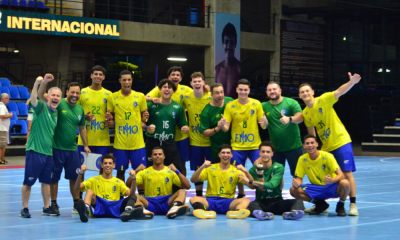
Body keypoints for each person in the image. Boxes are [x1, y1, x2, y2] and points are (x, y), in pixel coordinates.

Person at [298, 72, 361, 216]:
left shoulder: (324, 99)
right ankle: (322, 204)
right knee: (325, 176)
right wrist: (312, 149)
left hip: (340, 141)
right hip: (326, 147)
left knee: (346, 173)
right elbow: (311, 134)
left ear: (312, 92)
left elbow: (339, 91)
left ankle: (352, 204)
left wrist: (351, 82)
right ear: (300, 96)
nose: (305, 93)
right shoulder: (306, 113)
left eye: (307, 90)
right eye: (302, 92)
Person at [38, 80, 90, 215]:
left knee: (75, 177)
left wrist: (85, 145)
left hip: (73, 149)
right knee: (54, 178)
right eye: (72, 92)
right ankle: (54, 204)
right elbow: (40, 95)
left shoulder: (80, 109)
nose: (75, 95)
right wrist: (43, 82)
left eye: (77, 93)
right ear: (66, 92)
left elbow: (82, 127)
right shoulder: (59, 102)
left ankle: (76, 203)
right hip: (56, 148)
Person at [20, 74, 61, 218]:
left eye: (58, 96)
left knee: (46, 182)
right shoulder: (41, 107)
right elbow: (33, 99)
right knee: (28, 182)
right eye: (53, 95)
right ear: (47, 97)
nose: (55, 98)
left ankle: (46, 207)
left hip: (48, 153)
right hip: (35, 151)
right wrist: (37, 83)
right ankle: (24, 208)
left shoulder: (56, 114)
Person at [239, 141, 305, 220]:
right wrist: (259, 173)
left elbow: (272, 185)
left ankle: (292, 214)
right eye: (263, 152)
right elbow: (262, 189)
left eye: (268, 152)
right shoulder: (253, 170)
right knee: (252, 204)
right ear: (259, 153)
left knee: (298, 201)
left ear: (272, 154)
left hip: (277, 201)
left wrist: (250, 181)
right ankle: (262, 214)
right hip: (262, 202)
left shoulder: (279, 167)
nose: (265, 154)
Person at [146, 66, 191, 176]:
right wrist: (147, 127)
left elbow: (183, 123)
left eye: (169, 88)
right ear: (159, 89)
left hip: (172, 139)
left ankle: (179, 190)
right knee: (150, 167)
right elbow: (142, 120)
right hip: (154, 140)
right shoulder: (151, 105)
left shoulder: (178, 106)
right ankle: (148, 191)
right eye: (164, 87)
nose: (167, 89)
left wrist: (185, 127)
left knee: (177, 166)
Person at [290, 135, 350, 216]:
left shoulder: (327, 156)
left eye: (312, 143)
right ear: (304, 146)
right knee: (293, 190)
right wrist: (297, 183)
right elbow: (299, 178)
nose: (310, 145)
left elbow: (341, 175)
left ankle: (341, 205)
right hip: (316, 188)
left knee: (345, 183)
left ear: (317, 144)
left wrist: (331, 180)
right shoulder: (302, 159)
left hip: (330, 187)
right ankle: (320, 204)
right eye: (307, 143)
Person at [126, 146, 191, 219]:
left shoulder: (170, 172)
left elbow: (188, 186)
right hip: (150, 203)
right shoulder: (144, 172)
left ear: (164, 156)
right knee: (134, 195)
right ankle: (141, 210)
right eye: (155, 154)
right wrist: (136, 170)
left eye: (160, 154)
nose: (157, 156)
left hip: (166, 202)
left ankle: (175, 208)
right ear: (151, 157)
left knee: (182, 191)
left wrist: (176, 171)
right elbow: (127, 185)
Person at [189, 144, 252, 219]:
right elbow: (193, 180)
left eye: (228, 153)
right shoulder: (210, 168)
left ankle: (236, 213)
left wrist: (246, 172)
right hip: (210, 201)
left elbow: (252, 186)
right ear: (219, 154)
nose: (225, 155)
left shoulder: (236, 171)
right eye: (223, 152)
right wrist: (201, 167)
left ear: (231, 155)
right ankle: (204, 212)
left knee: (246, 201)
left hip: (228, 202)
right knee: (193, 199)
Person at [74, 154, 142, 222]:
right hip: (100, 206)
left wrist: (133, 179)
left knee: (133, 196)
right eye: (105, 163)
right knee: (89, 191)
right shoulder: (94, 179)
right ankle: (85, 212)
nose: (108, 165)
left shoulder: (118, 182)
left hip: (114, 207)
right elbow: (77, 188)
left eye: (110, 163)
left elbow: (131, 194)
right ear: (101, 165)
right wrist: (80, 173)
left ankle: (128, 212)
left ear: (114, 165)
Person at [107, 70, 147, 183]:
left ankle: (140, 198)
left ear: (132, 81)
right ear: (120, 81)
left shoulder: (140, 96)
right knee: (120, 172)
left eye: (129, 79)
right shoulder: (112, 97)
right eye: (124, 79)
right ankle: (121, 196)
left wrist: (145, 119)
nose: (126, 82)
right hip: (120, 144)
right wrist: (109, 121)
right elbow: (111, 119)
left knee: (140, 172)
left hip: (137, 143)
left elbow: (144, 118)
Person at [257, 81, 303, 177]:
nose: (272, 91)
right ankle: (277, 192)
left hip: (294, 147)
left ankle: (299, 192)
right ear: (266, 93)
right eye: (269, 90)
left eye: (274, 89)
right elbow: (249, 107)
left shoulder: (291, 102)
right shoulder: (263, 106)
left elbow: (300, 118)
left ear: (280, 91)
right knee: (276, 176)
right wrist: (264, 125)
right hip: (276, 149)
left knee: (297, 175)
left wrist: (290, 119)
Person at [221, 79, 268, 166]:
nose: (243, 92)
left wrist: (265, 123)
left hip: (255, 146)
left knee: (260, 171)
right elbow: (225, 129)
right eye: (241, 89)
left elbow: (263, 127)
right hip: (237, 147)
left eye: (245, 90)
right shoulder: (230, 106)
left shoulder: (257, 104)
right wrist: (222, 125)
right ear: (236, 90)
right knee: (238, 174)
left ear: (249, 90)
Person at [182, 72, 212, 197]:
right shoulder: (186, 97)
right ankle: (199, 196)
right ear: (191, 84)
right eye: (195, 81)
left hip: (210, 140)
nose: (197, 83)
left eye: (199, 81)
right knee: (197, 170)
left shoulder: (211, 96)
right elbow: (178, 110)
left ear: (204, 82)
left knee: (213, 169)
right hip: (194, 141)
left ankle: (212, 194)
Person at [77, 65, 112, 158]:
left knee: (103, 168)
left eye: (100, 74)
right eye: (95, 74)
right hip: (84, 140)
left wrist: (110, 120)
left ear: (103, 77)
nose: (98, 76)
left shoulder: (109, 94)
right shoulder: (82, 92)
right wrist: (83, 117)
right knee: (81, 168)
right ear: (91, 76)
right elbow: (75, 113)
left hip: (102, 140)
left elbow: (112, 116)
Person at [200, 83, 233, 163]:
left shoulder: (230, 102)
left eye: (222, 92)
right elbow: (204, 133)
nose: (220, 95)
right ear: (211, 95)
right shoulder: (206, 111)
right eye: (217, 93)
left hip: (234, 146)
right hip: (217, 148)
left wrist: (232, 107)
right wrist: (217, 128)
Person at [215, 23, 241, 98]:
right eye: (226, 42)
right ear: (223, 43)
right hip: (220, 108)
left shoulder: (238, 68)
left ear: (235, 44)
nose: (229, 46)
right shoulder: (217, 69)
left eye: (231, 42)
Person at [0, 93, 12, 164]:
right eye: (7, 98)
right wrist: (9, 115)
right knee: (1, 145)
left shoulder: (3, 106)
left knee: (3, 145)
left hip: (3, 128)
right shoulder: (2, 107)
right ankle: (0, 159)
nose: (8, 99)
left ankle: (2, 159)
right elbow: (1, 116)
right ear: (3, 98)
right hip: (2, 128)